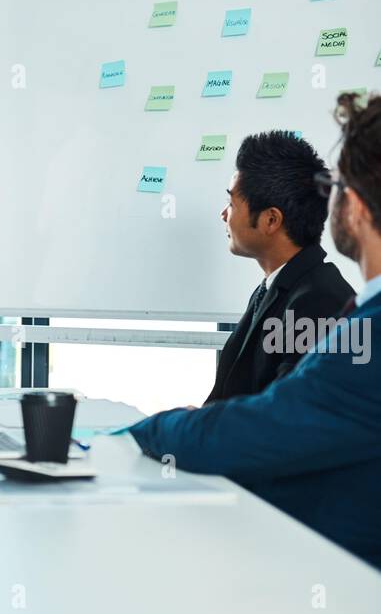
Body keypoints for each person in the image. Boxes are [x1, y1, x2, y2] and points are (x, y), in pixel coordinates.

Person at [130, 93, 381, 571]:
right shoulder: (286, 291)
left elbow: (271, 428)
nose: (333, 200)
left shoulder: (336, 312)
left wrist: (140, 431)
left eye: (343, 187)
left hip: (305, 564)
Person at [208, 131, 354, 402]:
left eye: (231, 203)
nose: (224, 214)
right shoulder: (277, 286)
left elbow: (287, 419)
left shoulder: (319, 301)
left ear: (271, 220)